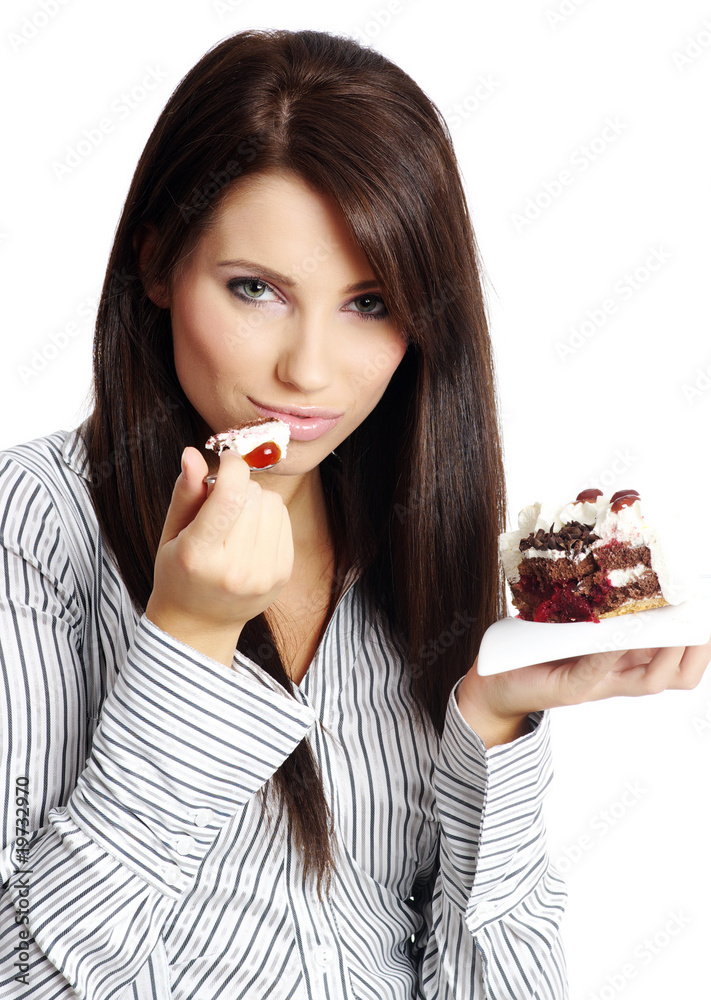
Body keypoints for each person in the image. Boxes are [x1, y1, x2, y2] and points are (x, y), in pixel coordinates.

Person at [1, 28, 708, 1000]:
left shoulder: (409, 553)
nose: (310, 370)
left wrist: (493, 721)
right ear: (159, 263)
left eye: (370, 303)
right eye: (257, 290)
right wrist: (190, 636)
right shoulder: (35, 524)